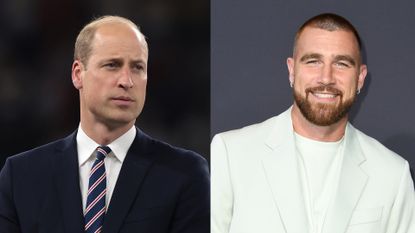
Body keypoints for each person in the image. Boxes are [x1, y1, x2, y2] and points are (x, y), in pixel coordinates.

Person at [0, 15, 209, 233]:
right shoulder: (21, 176)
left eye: (138, 67)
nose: (126, 81)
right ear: (78, 74)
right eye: (112, 65)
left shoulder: (184, 174)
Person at [211, 13, 415, 233]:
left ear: (360, 78)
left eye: (342, 63)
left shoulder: (392, 173)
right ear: (292, 70)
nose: (326, 78)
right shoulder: (231, 154)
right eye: (313, 61)